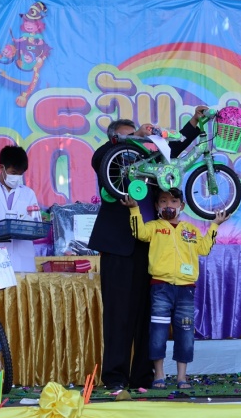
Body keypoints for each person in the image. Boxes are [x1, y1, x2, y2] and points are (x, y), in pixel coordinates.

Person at [88, 108, 206, 390]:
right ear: (115, 140)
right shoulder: (109, 161)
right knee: (118, 315)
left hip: (152, 248)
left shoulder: (148, 163)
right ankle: (115, 377)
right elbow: (98, 157)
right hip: (118, 248)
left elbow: (173, 150)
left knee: (148, 315)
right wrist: (132, 138)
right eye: (127, 138)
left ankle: (143, 375)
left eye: (137, 138)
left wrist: (193, 123)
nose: (135, 143)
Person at [124, 188, 226, 389]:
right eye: (163, 201)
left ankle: (181, 377)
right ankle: (159, 375)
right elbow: (139, 233)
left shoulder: (191, 230)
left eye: (173, 201)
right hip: (161, 288)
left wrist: (215, 225)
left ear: (182, 206)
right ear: (156, 206)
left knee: (185, 332)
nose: (168, 205)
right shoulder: (154, 227)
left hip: (186, 290)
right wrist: (134, 209)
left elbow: (204, 249)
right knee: (158, 332)